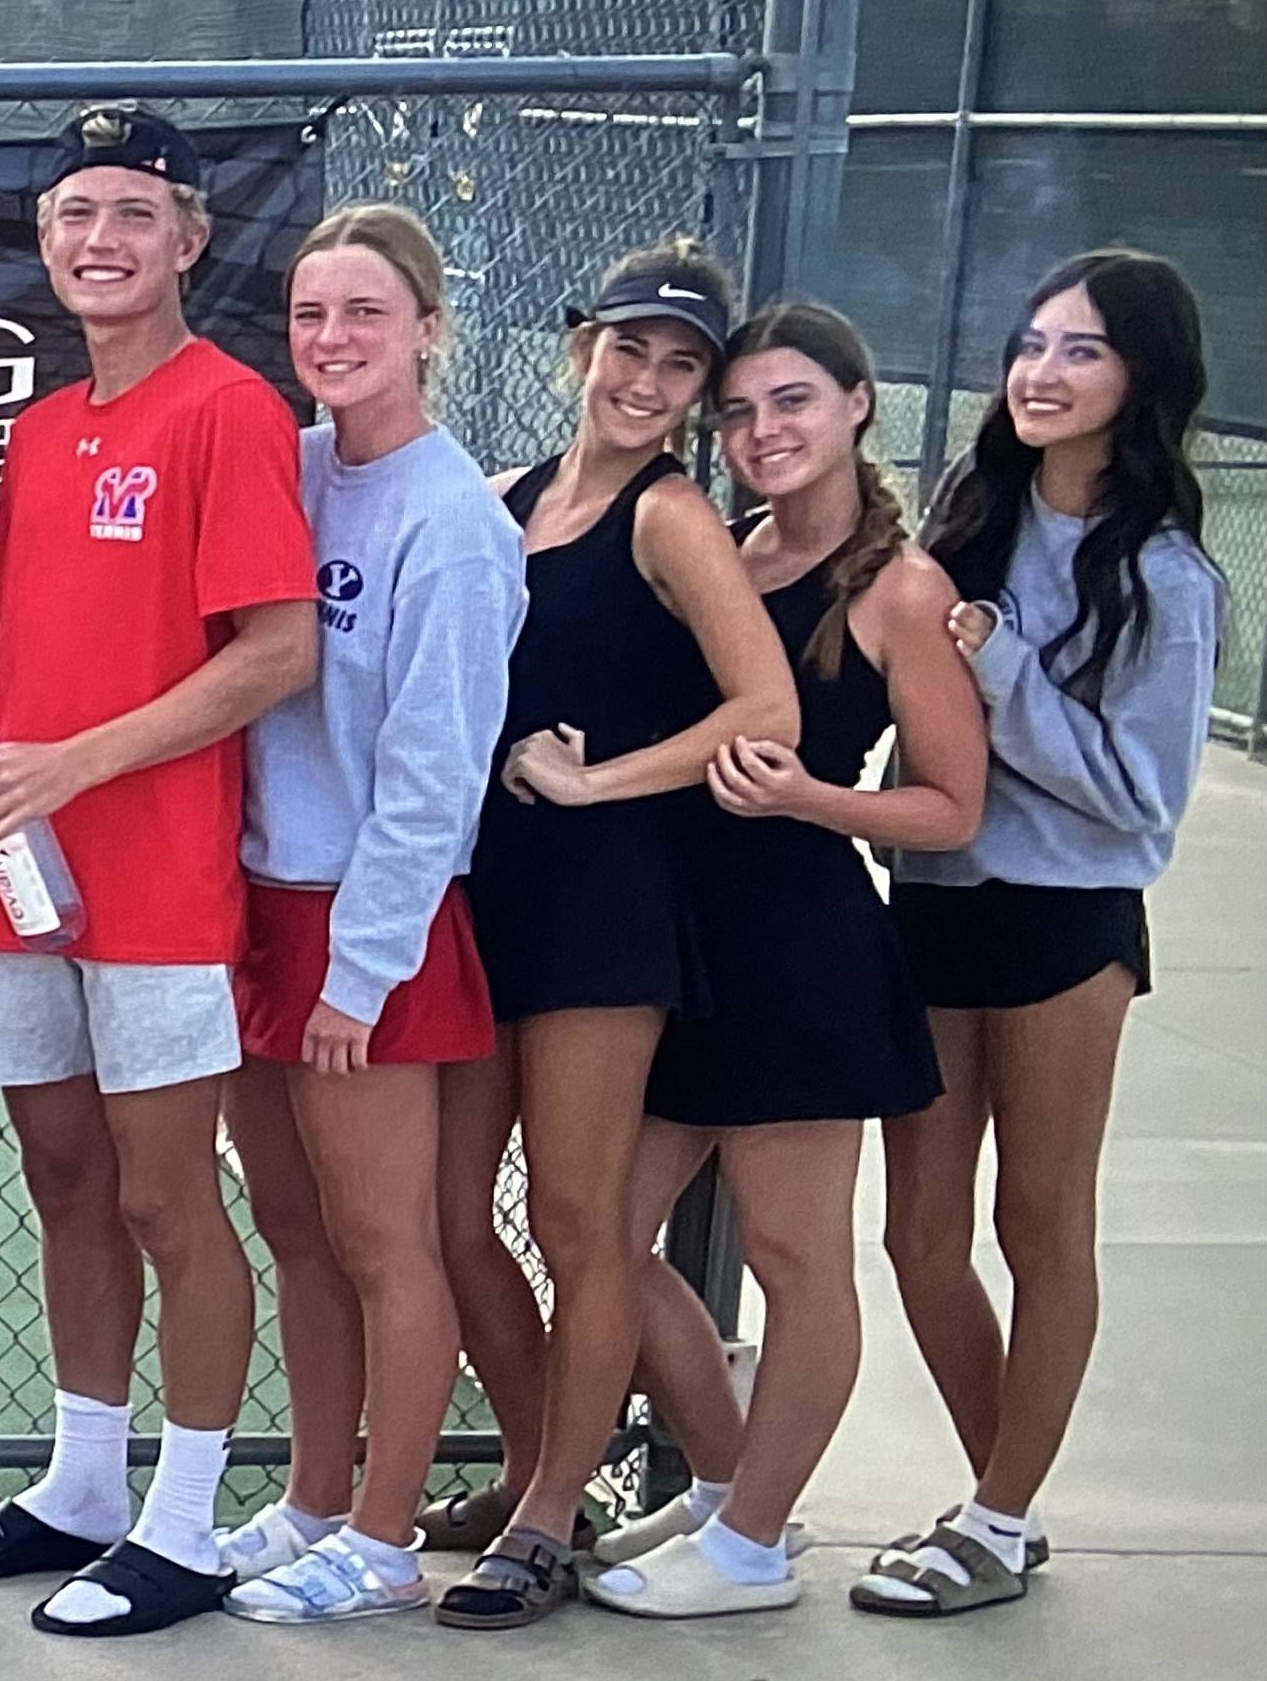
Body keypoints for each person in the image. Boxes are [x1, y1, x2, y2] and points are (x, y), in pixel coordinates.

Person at [0, 105, 316, 1638]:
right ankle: (85, 1484)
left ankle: (185, 1517)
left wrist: (79, 770)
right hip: (27, 889)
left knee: (165, 1197)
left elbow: (273, 653)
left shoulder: (226, 411)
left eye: (132, 215)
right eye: (75, 214)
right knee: (61, 1181)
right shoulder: (38, 427)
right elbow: (35, 667)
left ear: (190, 239)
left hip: (155, 890)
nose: (99, 241)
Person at [585, 299, 980, 1619]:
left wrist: (810, 798)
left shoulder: (899, 587)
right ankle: (723, 1486)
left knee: (791, 1251)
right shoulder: (718, 548)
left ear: (857, 403)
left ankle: (751, 1545)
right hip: (666, 935)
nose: (760, 432)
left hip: (794, 940)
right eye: (739, 412)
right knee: (592, 1231)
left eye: (790, 403)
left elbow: (947, 807)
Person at [857, 250, 1223, 1620]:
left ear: (1137, 376)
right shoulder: (963, 524)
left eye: (1076, 350)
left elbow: (1139, 801)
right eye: (1028, 343)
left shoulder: (1167, 579)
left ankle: (997, 1515)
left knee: (1037, 1219)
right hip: (936, 905)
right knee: (913, 1235)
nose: (1038, 371)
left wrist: (996, 664)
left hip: (1063, 922)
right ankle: (992, 1499)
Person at [434, 240, 795, 1630]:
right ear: (577, 345)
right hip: (482, 896)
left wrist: (598, 776)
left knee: (575, 1218)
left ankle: (536, 1523)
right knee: (444, 1217)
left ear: (698, 394)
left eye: (679, 364)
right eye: (628, 348)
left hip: (603, 909)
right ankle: (545, 1473)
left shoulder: (667, 519)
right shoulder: (499, 501)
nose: (645, 381)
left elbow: (757, 707)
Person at [213, 205, 523, 1626]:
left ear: (425, 330)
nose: (329, 341)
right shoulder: (287, 469)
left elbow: (432, 770)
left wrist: (362, 966)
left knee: (382, 1237)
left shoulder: (451, 521)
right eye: (308, 316)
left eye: (361, 315)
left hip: (365, 925)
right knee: (291, 1225)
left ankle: (386, 1533)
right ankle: (312, 1496)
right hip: (259, 905)